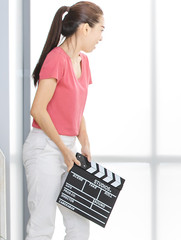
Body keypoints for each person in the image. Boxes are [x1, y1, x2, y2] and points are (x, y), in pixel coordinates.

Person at [23, 1, 104, 239]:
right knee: (42, 225)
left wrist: (85, 142)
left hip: (69, 150)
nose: (101, 37)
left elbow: (76, 110)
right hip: (45, 149)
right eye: (100, 30)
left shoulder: (84, 62)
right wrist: (63, 149)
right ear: (85, 28)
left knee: (79, 226)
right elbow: (37, 110)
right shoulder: (56, 59)